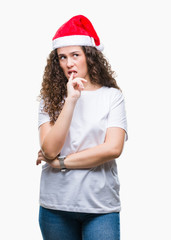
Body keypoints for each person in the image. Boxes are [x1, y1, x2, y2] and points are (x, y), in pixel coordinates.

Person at [36, 15, 127, 240]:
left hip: (100, 208)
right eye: (62, 57)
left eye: (75, 55)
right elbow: (49, 150)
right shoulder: (49, 99)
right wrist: (71, 100)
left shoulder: (112, 97)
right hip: (56, 206)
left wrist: (60, 163)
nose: (69, 63)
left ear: (89, 56)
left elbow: (112, 149)